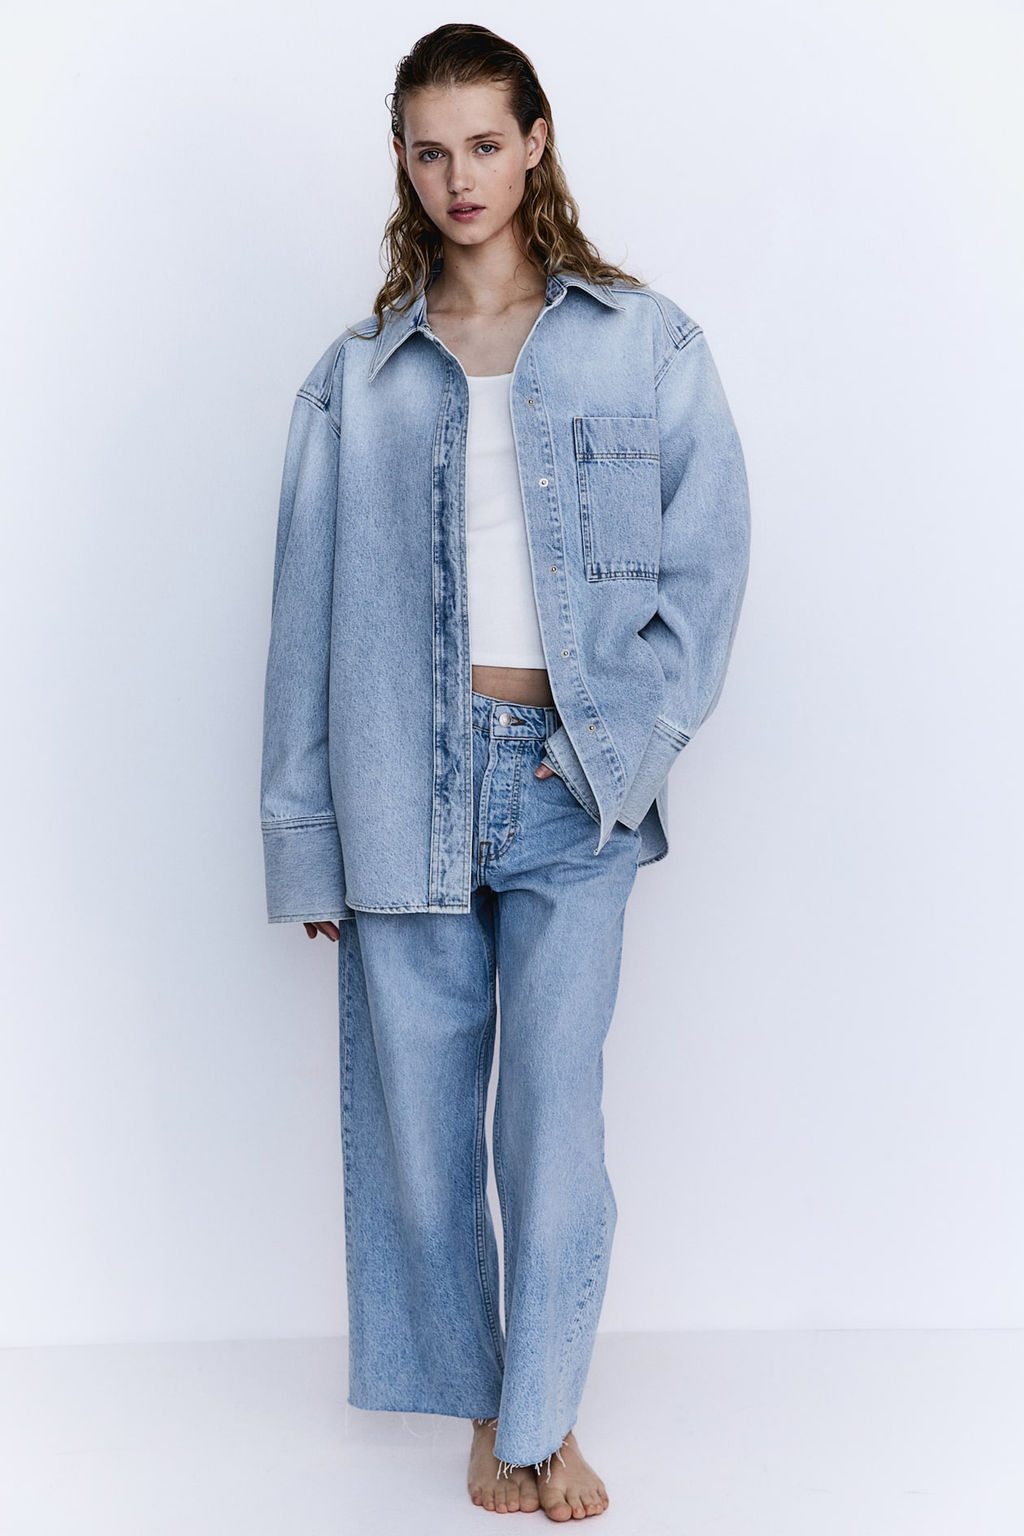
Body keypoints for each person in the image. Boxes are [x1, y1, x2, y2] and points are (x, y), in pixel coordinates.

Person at [259, 21, 750, 1522]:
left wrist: (633, 753)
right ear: (403, 165)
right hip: (398, 781)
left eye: (485, 142)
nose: (460, 176)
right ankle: (488, 1413)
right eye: (431, 150)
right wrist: (308, 835)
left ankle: (547, 1418)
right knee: (419, 1131)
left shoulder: (643, 342)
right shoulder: (357, 377)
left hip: (570, 782)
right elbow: (302, 616)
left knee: (551, 1123)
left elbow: (707, 565)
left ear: (535, 142)